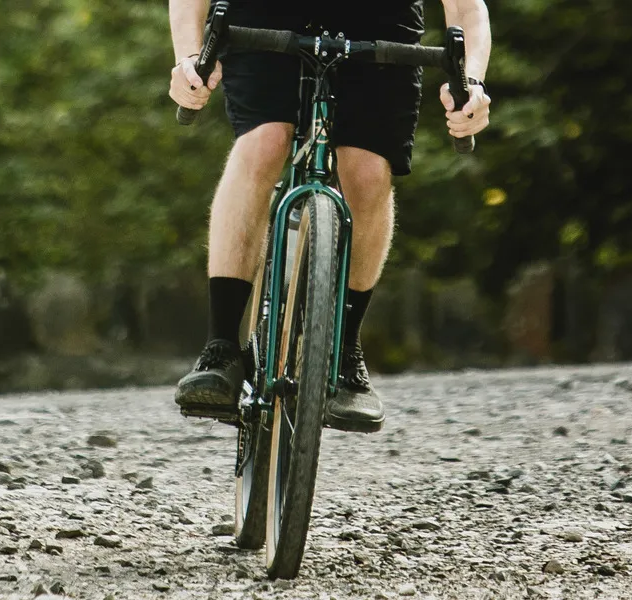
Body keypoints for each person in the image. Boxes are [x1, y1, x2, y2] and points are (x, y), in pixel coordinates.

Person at [168, 0, 491, 433]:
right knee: (263, 144)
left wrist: (470, 82)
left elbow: (467, 9)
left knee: (369, 172)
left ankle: (344, 352)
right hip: (263, 14)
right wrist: (188, 58)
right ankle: (222, 347)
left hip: (377, 17)